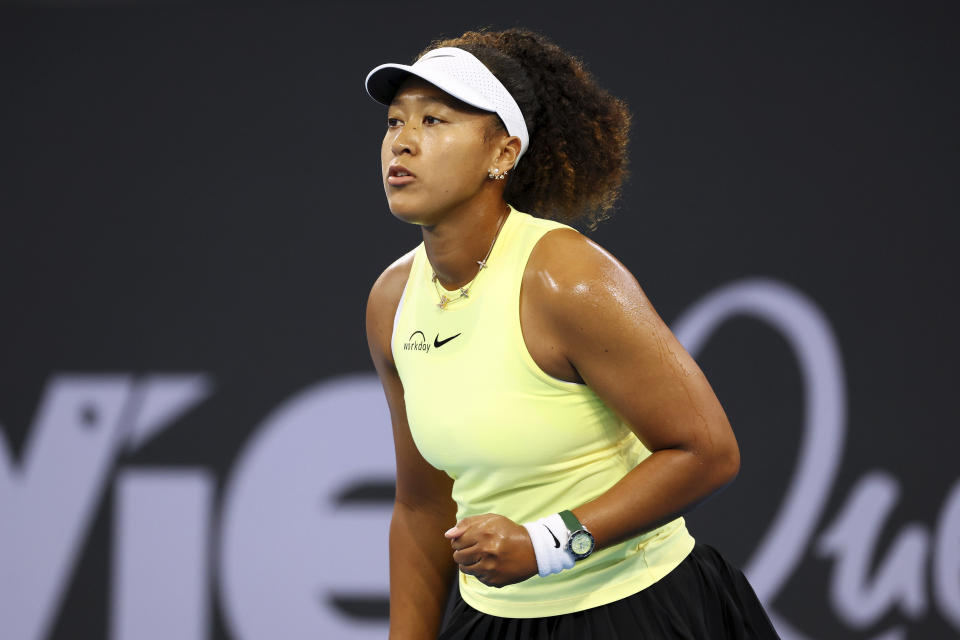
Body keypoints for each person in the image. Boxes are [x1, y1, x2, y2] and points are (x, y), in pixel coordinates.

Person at [364, 28, 780, 639]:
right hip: (491, 619)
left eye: (434, 120)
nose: (402, 141)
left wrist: (546, 544)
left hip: (637, 611)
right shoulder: (391, 303)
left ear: (502, 154)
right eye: (394, 122)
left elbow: (707, 452)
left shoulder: (567, 279)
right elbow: (424, 506)